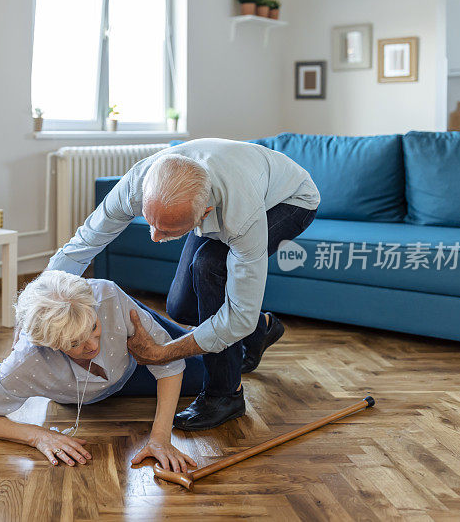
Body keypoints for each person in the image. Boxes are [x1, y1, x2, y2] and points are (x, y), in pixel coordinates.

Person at [46, 138, 320, 430]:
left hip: (289, 199)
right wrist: (39, 304)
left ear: (204, 214)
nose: (154, 235)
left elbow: (239, 316)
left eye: (167, 229)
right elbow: (84, 244)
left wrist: (162, 353)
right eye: (152, 222)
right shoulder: (135, 185)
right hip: (220, 187)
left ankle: (225, 395)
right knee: (181, 306)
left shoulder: (242, 217)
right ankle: (259, 331)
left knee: (210, 266)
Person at [0, 270, 205, 471]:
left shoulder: (106, 296)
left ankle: (182, 329)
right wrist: (38, 436)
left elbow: (169, 364)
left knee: (212, 364)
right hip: (89, 395)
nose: (93, 346)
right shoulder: (26, 360)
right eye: (74, 343)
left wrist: (160, 438)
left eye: (93, 326)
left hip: (136, 356)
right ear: (51, 345)